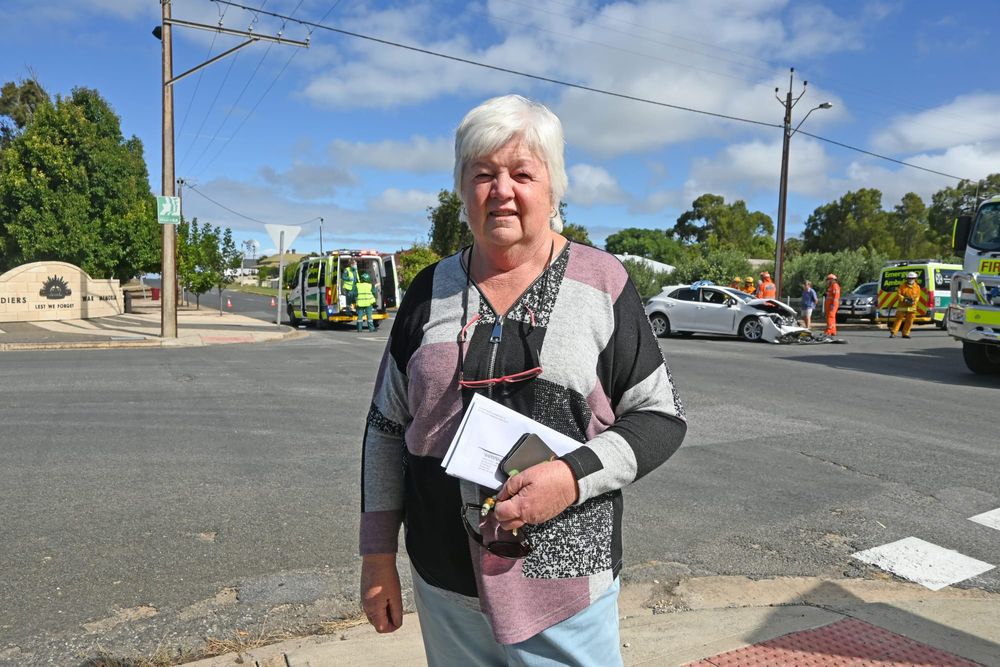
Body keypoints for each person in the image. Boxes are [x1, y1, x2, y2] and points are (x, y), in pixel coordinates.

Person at [359, 94, 686, 666]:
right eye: (483, 174)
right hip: (446, 584)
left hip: (564, 588)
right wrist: (377, 557)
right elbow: (387, 427)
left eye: (522, 174)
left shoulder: (601, 281)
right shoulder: (428, 289)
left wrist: (570, 476)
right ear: (462, 190)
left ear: (553, 187)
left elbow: (659, 417)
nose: (501, 190)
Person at [890, 271, 921, 338]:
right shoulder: (902, 286)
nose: (910, 280)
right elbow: (898, 294)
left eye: (912, 278)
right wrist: (904, 299)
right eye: (909, 278)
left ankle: (905, 333)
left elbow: (918, 296)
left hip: (912, 307)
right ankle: (894, 332)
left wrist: (914, 301)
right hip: (902, 306)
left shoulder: (917, 287)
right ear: (907, 278)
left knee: (910, 321)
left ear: (915, 279)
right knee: (898, 319)